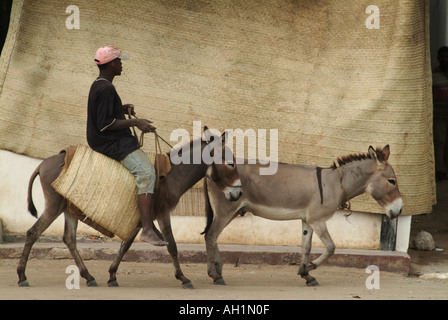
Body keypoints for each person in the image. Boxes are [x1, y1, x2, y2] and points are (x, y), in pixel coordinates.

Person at [87, 45, 167, 245]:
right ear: (112, 64)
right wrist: (135, 122)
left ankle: (148, 223)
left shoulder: (100, 84)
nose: (122, 64)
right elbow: (105, 124)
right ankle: (147, 229)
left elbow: (104, 113)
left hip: (106, 139)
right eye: (119, 61)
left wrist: (121, 109)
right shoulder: (106, 88)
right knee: (147, 173)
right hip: (110, 142)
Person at [433, 46, 448, 181]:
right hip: (438, 115)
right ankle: (439, 170)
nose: (445, 59)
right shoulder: (433, 74)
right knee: (439, 142)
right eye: (442, 56)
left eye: (446, 57)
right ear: (438, 58)